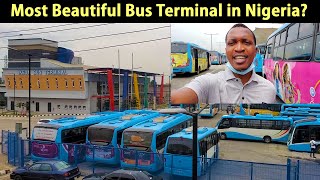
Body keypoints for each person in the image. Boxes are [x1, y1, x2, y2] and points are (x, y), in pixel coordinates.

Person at [171, 24, 276, 105]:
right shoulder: (208, 83)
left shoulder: (269, 89)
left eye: (246, 42)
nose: (239, 48)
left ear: (256, 51)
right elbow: (175, 99)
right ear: (226, 51)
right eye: (232, 43)